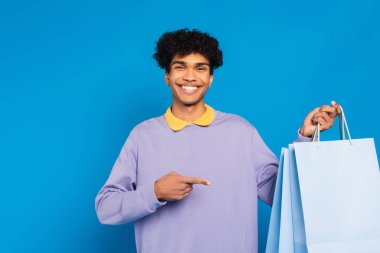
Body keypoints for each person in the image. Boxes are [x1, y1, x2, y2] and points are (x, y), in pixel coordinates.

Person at [95, 28, 341, 253]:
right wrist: (155, 192)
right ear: (167, 76)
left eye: (200, 68)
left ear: (211, 78)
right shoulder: (143, 136)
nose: (190, 76)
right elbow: (106, 208)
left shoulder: (241, 132)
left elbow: (284, 195)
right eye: (180, 67)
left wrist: (306, 137)